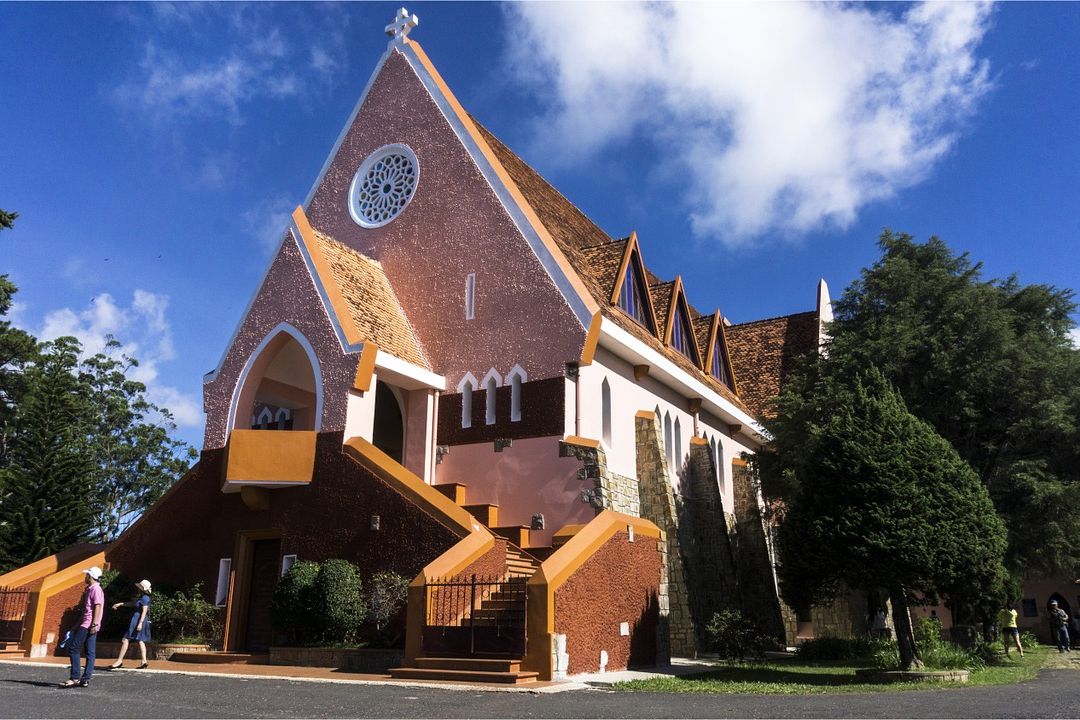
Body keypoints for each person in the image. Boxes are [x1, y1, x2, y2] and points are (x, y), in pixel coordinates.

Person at [58, 566, 104, 688]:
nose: (85, 577)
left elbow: (97, 607)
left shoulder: (96, 589)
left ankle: (75, 678)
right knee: (90, 652)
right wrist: (75, 626)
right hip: (87, 623)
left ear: (91, 577)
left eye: (87, 575)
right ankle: (85, 679)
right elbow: (86, 611)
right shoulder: (90, 589)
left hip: (88, 624)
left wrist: (94, 624)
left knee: (73, 649)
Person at [108, 579, 152, 670]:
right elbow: (133, 604)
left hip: (138, 620)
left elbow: (144, 610)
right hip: (138, 620)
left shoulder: (144, 598)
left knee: (125, 639)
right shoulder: (142, 597)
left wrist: (140, 623)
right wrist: (121, 604)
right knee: (140, 640)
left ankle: (119, 661)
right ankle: (144, 661)